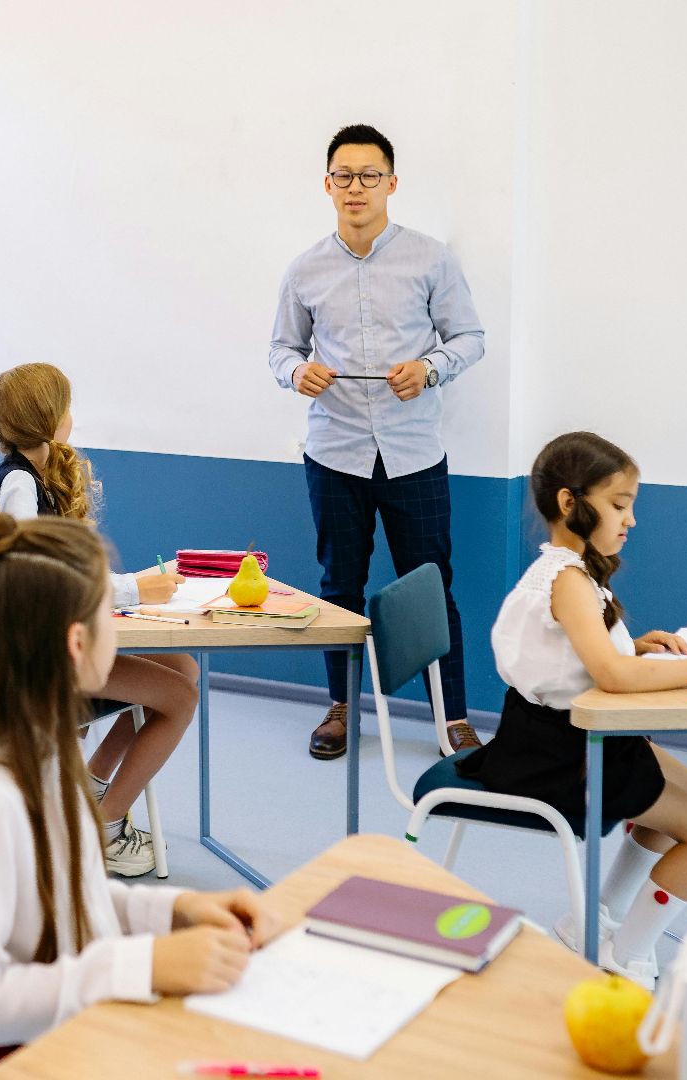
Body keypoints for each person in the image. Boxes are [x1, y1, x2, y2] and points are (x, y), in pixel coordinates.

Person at [0, 499, 281, 1076]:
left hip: (83, 1028)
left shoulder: (44, 750)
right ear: (77, 644)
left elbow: (73, 898)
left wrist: (180, 909)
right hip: (37, 1057)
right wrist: (146, 966)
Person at [456, 431, 687, 987]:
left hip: (569, 735)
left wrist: (630, 645)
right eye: (619, 504)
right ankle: (625, 958)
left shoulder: (573, 570)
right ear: (571, 503)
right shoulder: (567, 580)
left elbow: (583, 657)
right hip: (560, 755)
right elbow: (611, 677)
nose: (630, 520)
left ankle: (599, 917)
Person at [268, 123, 486, 759]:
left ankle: (451, 719)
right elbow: (281, 349)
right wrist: (295, 372)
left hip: (414, 453)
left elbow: (470, 338)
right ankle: (341, 708)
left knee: (430, 587)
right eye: (343, 176)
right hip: (334, 453)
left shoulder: (432, 259)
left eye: (369, 176)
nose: (355, 187)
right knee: (339, 586)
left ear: (391, 184)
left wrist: (429, 368)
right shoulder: (304, 269)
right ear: (327, 185)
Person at [0, 362, 197, 877]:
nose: (72, 416)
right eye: (66, 406)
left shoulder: (35, 474)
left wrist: (131, 589)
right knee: (182, 699)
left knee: (183, 666)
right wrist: (132, 589)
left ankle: (90, 788)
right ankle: (103, 830)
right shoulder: (17, 486)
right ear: (47, 417)